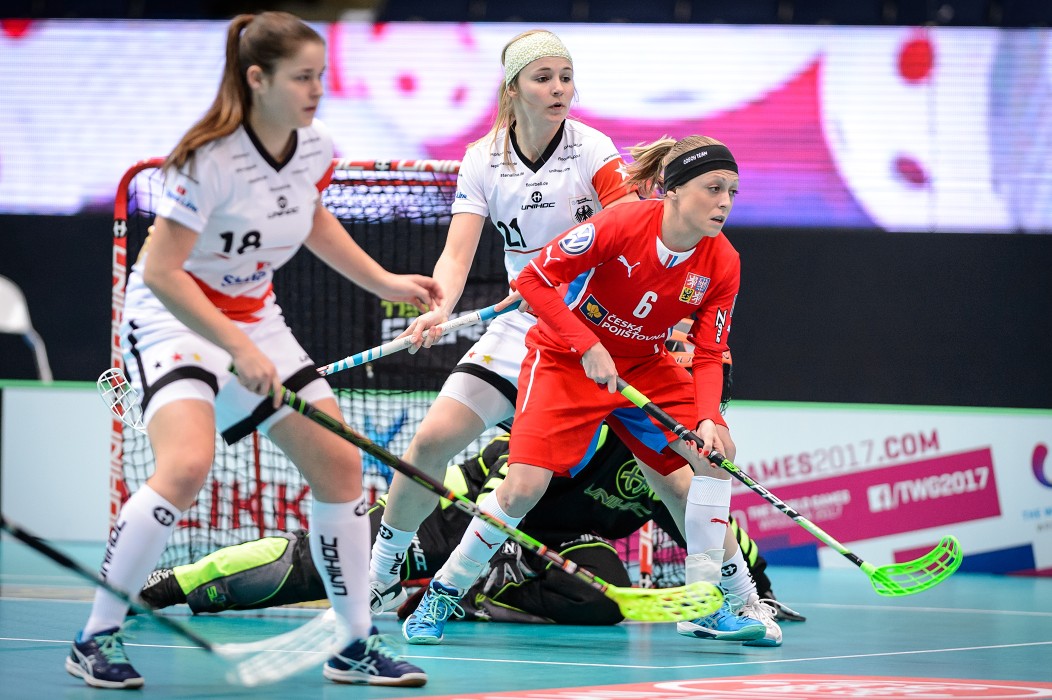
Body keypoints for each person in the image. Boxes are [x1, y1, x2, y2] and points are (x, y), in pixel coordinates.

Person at [67, 12, 439, 690]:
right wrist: (236, 347)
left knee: (340, 467)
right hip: (175, 320)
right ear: (257, 78)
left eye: (322, 76)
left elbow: (313, 218)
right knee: (184, 466)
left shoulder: (314, 146)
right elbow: (160, 272)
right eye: (303, 77)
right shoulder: (205, 159)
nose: (317, 89)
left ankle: (353, 643)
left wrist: (385, 281)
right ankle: (96, 635)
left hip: (254, 320)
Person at [402, 135, 783, 648]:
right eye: (713, 188)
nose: (724, 203)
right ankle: (442, 595)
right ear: (671, 189)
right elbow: (535, 282)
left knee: (714, 454)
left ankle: (707, 603)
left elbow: (709, 352)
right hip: (564, 360)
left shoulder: (724, 262)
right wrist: (585, 345)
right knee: (522, 488)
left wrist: (710, 416)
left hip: (646, 364)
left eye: (732, 192)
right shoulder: (621, 224)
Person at [367, 28, 639, 624]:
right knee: (430, 443)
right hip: (520, 327)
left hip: (590, 334)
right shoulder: (482, 158)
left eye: (565, 77)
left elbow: (629, 227)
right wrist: (440, 307)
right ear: (512, 90)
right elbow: (458, 254)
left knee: (644, 470)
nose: (559, 88)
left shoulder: (594, 150)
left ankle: (728, 594)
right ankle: (382, 573)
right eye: (543, 78)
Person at [138, 428, 806, 625]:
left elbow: (721, 533)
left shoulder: (674, 459)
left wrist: (760, 592)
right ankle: (172, 584)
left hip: (548, 545)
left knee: (602, 599)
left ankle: (488, 594)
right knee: (326, 568)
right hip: (461, 518)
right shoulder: (595, 422)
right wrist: (480, 543)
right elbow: (503, 476)